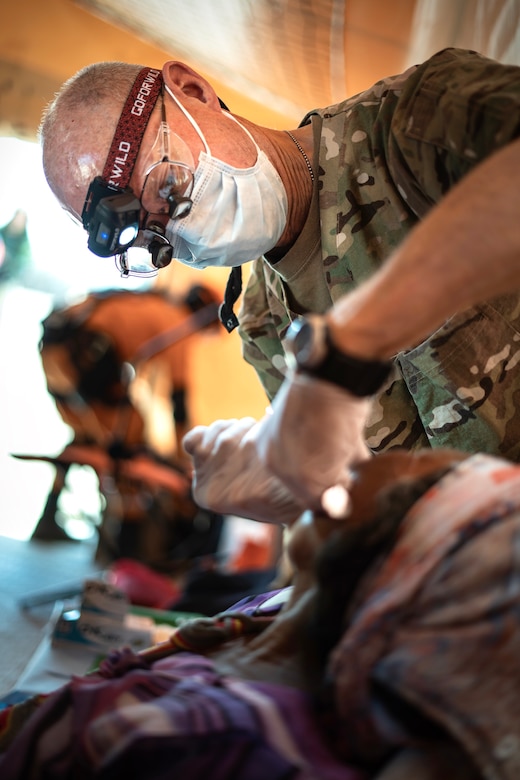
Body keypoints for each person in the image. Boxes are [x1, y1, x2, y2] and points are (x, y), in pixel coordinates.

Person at [39, 49, 520, 524]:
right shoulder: (265, 325)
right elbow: (390, 513)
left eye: (167, 184)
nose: (182, 228)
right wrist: (302, 496)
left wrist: (355, 340)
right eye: (156, 235)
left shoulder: (413, 124)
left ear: (192, 91)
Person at [2, 445, 520, 779]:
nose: (368, 460)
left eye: (410, 473)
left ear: (386, 570)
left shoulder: (212, 743)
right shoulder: (281, 613)